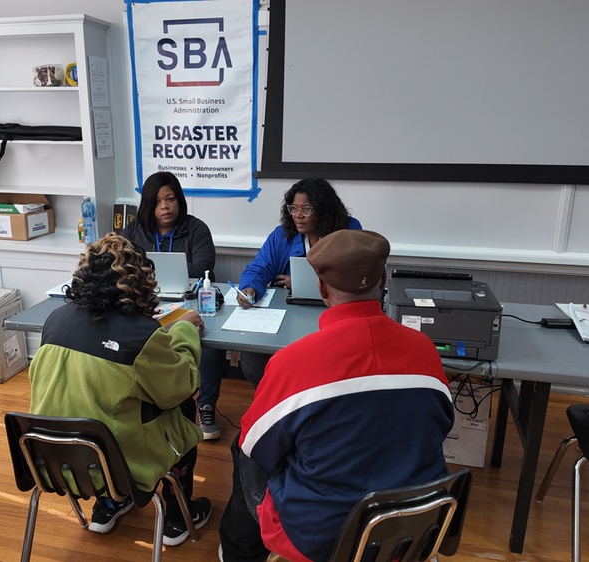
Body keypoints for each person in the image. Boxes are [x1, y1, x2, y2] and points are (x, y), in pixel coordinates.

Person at [218, 230, 455, 562]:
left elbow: (257, 450)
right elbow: (441, 424)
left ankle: (239, 553)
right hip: (414, 527)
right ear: (383, 280)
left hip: (321, 537)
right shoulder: (425, 350)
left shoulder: (291, 362)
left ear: (321, 287)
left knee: (245, 445)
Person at [27, 233, 212, 547]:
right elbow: (180, 385)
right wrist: (183, 328)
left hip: (52, 461)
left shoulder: (54, 320)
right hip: (119, 467)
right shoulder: (140, 335)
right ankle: (179, 516)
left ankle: (108, 503)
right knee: (182, 408)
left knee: (91, 404)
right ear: (140, 281)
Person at [120, 171, 225, 440]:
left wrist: (149, 271)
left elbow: (203, 266)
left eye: (170, 199)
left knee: (207, 340)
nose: (165, 206)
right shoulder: (133, 230)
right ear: (147, 205)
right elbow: (121, 264)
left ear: (179, 200)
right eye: (157, 201)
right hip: (147, 303)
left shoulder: (196, 228)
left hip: (189, 300)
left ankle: (206, 404)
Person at [233, 177, 362, 387]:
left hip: (332, 316)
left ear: (323, 210)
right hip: (288, 316)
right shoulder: (283, 234)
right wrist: (250, 288)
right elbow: (258, 268)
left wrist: (308, 281)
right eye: (293, 208)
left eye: (306, 209)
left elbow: (353, 274)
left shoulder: (348, 231)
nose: (298, 216)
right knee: (253, 361)